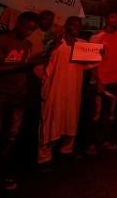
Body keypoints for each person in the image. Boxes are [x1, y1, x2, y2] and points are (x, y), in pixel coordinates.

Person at [38, 16, 95, 166]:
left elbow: (90, 63)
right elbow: (44, 57)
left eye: (78, 25)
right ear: (67, 26)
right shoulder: (57, 43)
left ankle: (66, 150)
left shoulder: (82, 44)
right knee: (52, 120)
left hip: (73, 90)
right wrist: (54, 44)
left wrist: (100, 54)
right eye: (72, 25)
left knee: (70, 119)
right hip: (55, 89)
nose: (76, 27)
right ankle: (44, 156)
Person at [0, 11, 38, 190]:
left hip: (19, 95)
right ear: (19, 23)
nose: (29, 32)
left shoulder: (27, 44)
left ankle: (3, 172)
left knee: (11, 136)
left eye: (32, 30)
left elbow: (26, 67)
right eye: (28, 28)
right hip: (1, 93)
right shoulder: (3, 40)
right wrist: (25, 65)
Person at [88, 11, 117, 152]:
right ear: (106, 19)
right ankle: (92, 143)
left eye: (116, 18)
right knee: (96, 113)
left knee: (110, 113)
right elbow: (91, 62)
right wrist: (98, 80)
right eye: (112, 17)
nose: (114, 20)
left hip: (115, 80)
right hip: (101, 81)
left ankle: (104, 140)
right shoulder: (96, 37)